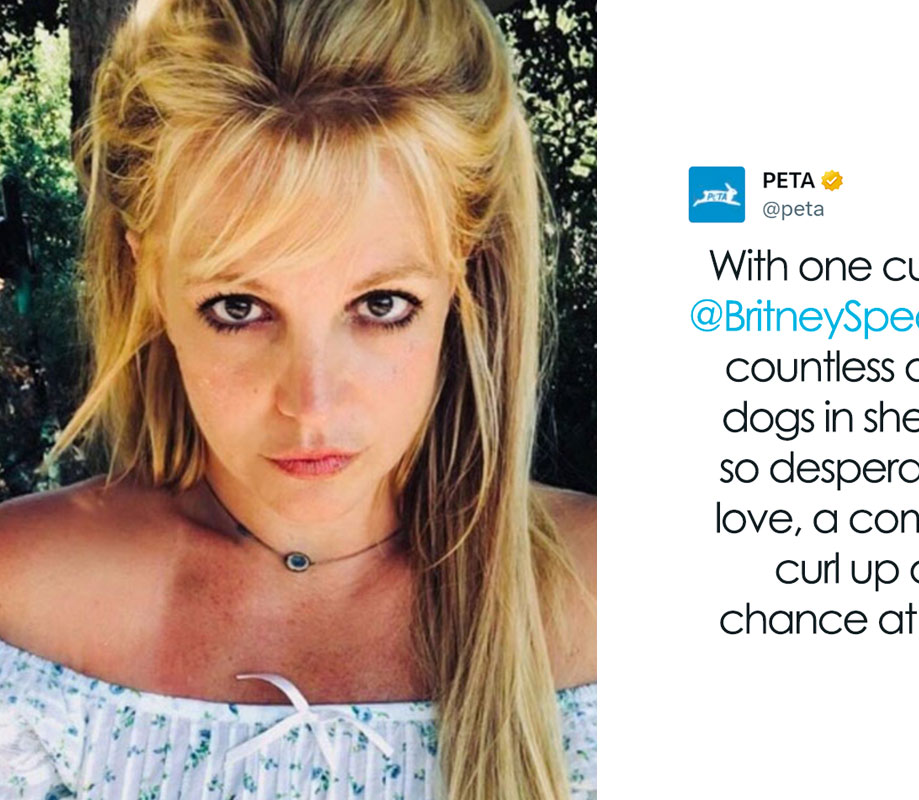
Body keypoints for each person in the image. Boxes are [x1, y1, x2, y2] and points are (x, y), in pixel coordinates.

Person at [0, 0, 596, 798]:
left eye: (381, 304)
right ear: (152, 281)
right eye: (238, 307)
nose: (312, 406)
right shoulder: (18, 613)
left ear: (463, 267)